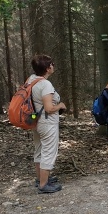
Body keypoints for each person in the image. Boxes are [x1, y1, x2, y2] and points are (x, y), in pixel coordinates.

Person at [29, 54, 66, 194]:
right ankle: (44, 185)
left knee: (39, 149)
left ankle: (40, 179)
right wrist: (60, 105)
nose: (53, 66)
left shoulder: (32, 80)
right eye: (51, 64)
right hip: (47, 123)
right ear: (47, 68)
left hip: (36, 121)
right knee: (49, 151)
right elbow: (49, 108)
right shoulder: (45, 85)